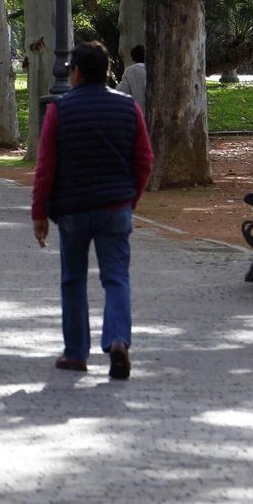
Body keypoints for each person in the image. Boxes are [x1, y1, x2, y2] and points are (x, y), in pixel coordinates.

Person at [31, 41, 153, 380]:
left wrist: (39, 213)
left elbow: (46, 168)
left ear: (78, 73)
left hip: (72, 210)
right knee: (116, 278)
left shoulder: (60, 110)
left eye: (70, 69)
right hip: (116, 207)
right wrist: (131, 201)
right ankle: (117, 340)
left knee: (73, 280)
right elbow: (144, 160)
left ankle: (75, 353)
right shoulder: (128, 108)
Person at [116, 44, 147, 115]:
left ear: (133, 58)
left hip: (138, 114)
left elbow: (121, 91)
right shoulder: (156, 69)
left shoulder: (131, 71)